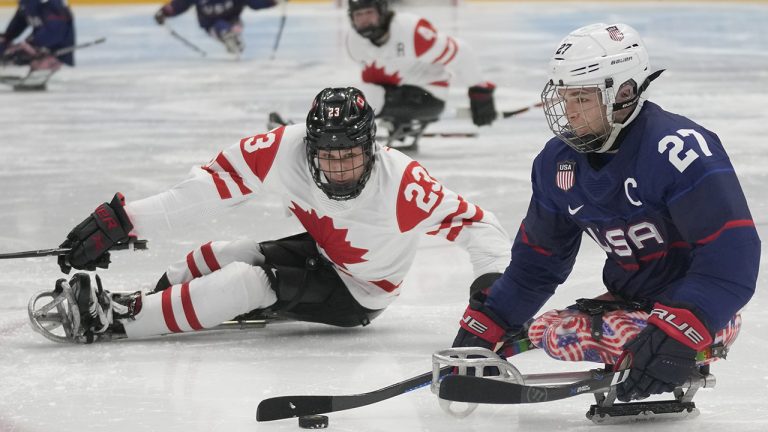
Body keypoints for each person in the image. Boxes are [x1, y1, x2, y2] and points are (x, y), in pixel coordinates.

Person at [47, 87, 511, 344]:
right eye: (326, 155)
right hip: (328, 254)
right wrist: (123, 220)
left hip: (364, 292)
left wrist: (492, 289)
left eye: (350, 154)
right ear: (307, 147)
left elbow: (479, 225)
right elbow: (204, 192)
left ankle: (122, 321)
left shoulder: (402, 184)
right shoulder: (281, 149)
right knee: (225, 252)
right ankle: (152, 298)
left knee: (248, 282)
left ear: (372, 147)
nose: (338, 167)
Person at [451, 23, 760, 403]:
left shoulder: (679, 150)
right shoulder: (556, 163)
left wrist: (680, 331)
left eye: (582, 98)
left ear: (625, 93)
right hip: (630, 302)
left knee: (564, 335)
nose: (569, 113)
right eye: (565, 98)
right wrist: (491, 320)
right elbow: (538, 264)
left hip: (707, 309)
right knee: (552, 332)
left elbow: (732, 258)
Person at [345, 0, 497, 150]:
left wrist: (479, 91)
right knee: (353, 98)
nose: (364, 20)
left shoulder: (412, 32)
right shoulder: (354, 41)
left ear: (382, 11)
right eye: (359, 14)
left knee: (361, 101)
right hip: (395, 92)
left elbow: (461, 52)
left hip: (428, 96)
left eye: (369, 13)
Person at [153, 0, 276, 55]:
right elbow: (180, 4)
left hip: (232, 21)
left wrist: (272, 1)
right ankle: (229, 37)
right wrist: (164, 12)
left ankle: (232, 37)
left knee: (231, 27)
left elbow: (255, 2)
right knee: (220, 27)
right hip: (210, 25)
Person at [0, 0, 75, 89]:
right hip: (41, 43)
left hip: (55, 48)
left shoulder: (50, 4)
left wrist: (32, 45)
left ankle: (46, 64)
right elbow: (19, 22)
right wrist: (6, 38)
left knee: (19, 55)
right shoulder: (27, 3)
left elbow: (56, 31)